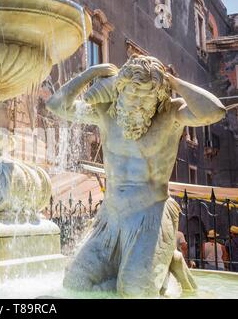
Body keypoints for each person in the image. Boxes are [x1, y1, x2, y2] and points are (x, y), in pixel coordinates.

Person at [46, 54, 225, 296]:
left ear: (158, 96)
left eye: (146, 96)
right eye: (132, 94)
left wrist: (172, 81)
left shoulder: (171, 114)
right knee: (74, 283)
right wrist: (90, 73)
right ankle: (156, 267)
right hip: (111, 218)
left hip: (150, 214)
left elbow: (214, 111)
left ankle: (158, 267)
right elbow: (56, 105)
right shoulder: (105, 112)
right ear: (120, 90)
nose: (137, 103)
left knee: (134, 292)